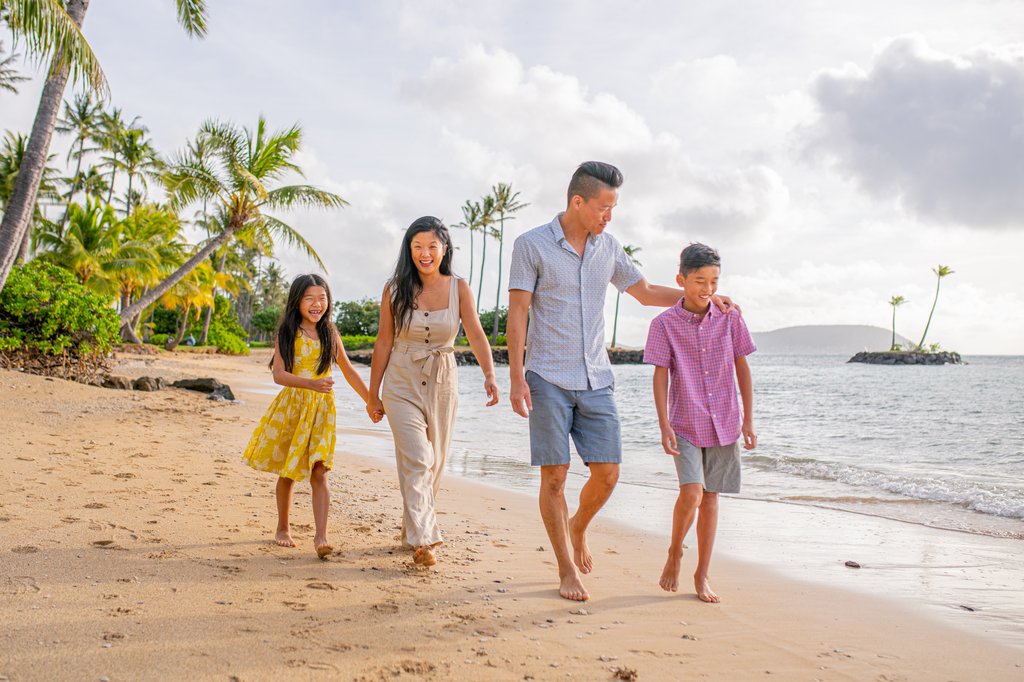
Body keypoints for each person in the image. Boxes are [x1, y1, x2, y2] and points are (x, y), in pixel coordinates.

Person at [507, 161, 737, 601]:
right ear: (579, 201)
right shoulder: (531, 245)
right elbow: (518, 311)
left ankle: (578, 526)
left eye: (613, 208)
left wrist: (701, 295)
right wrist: (517, 376)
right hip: (547, 376)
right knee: (554, 479)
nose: (609, 216)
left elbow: (646, 293)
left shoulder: (608, 248)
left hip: (596, 376)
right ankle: (566, 570)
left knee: (609, 474)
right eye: (604, 207)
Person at [367, 216, 499, 567]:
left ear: (444, 249)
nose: (425, 253)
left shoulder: (459, 288)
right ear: (408, 251)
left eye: (431, 246)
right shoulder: (393, 289)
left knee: (434, 463)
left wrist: (489, 374)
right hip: (400, 380)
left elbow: (475, 333)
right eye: (417, 247)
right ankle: (425, 539)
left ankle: (412, 529)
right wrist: (372, 394)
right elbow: (383, 342)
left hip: (442, 380)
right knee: (418, 457)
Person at [644, 242, 756, 602]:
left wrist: (749, 418)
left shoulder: (731, 317)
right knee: (691, 492)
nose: (707, 289)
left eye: (713, 281)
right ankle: (675, 552)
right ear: (681, 279)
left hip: (725, 420)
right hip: (685, 421)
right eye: (699, 281)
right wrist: (663, 424)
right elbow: (660, 376)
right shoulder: (663, 324)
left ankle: (702, 574)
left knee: (711, 499)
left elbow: (742, 366)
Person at [242, 274, 371, 560]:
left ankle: (321, 536)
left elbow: (348, 371)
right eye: (309, 298)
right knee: (288, 471)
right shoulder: (287, 333)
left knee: (319, 470)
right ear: (297, 301)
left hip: (322, 411)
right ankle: (282, 527)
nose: (317, 304)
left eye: (322, 298)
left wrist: (371, 401)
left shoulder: (330, 333)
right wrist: (312, 384)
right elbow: (278, 375)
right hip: (293, 408)